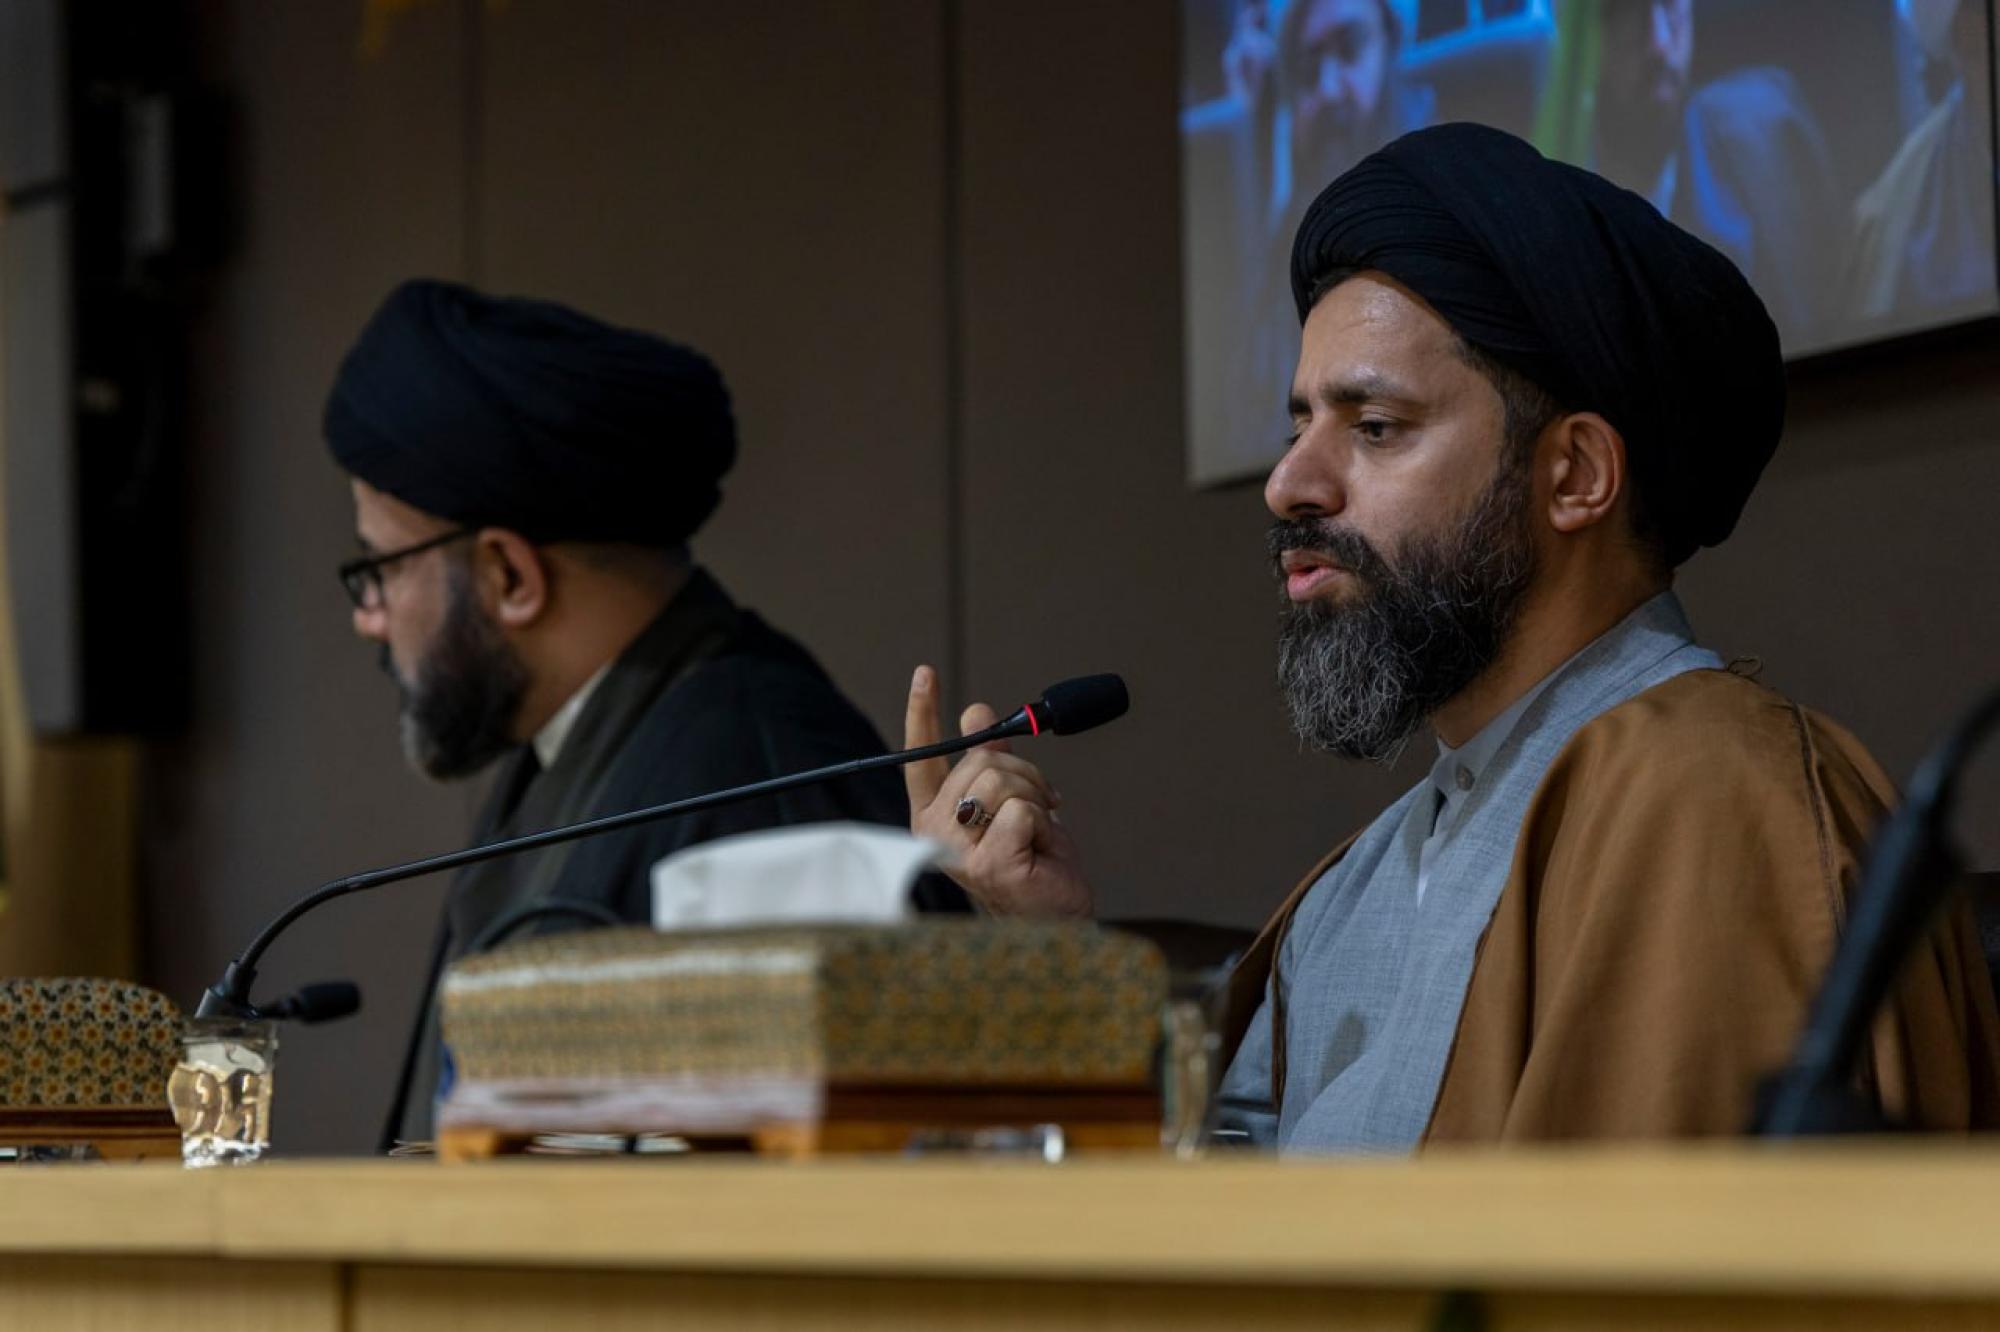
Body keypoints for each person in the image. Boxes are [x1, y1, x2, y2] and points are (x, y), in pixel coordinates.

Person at [907, 124, 2000, 1149]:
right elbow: (1214, 1222)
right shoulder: (1361, 878)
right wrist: (1043, 948)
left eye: (1374, 426)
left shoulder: (1715, 793)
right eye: (1299, 424)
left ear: (1573, 474)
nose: (1288, 483)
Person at [325, 280, 966, 1147]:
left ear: (509, 576)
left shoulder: (761, 783)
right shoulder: (575, 745)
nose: (369, 616)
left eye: (383, 568)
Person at [1584, 0, 1839, 348]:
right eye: (1625, 12)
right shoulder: (1554, 205)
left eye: (1670, 5)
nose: (1659, 43)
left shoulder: (1770, 127)